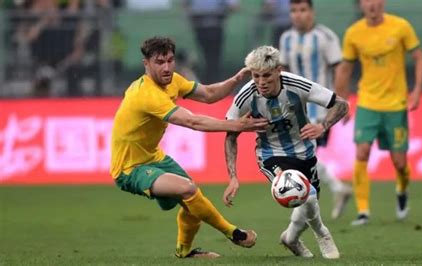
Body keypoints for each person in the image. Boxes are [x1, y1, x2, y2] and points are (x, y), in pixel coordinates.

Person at [110, 36, 268, 259]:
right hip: (129, 168)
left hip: (154, 158)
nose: (166, 67)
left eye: (170, 60)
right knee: (188, 190)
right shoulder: (146, 94)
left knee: (192, 201)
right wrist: (237, 124)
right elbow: (192, 122)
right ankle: (233, 233)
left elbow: (209, 94)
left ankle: (185, 252)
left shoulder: (172, 80)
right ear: (146, 64)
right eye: (159, 62)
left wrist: (237, 79)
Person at [223, 46, 349, 258]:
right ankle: (323, 234)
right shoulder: (246, 95)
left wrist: (323, 126)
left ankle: (290, 238)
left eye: (266, 76)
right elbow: (230, 134)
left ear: (278, 70)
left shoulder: (297, 85)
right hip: (271, 154)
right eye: (256, 76)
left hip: (305, 152)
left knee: (309, 201)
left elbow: (341, 105)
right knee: (305, 195)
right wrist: (233, 176)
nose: (261, 82)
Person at [334, 0, 422, 226]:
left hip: (396, 104)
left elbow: (419, 58)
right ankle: (363, 211)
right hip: (367, 102)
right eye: (366, 1)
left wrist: (416, 92)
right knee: (362, 152)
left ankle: (402, 191)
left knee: (399, 163)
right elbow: (345, 68)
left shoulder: (400, 26)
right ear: (361, 5)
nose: (372, 4)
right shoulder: (354, 33)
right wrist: (341, 101)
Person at [279, 0, 352, 219]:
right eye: (293, 11)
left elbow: (339, 69)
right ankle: (336, 188)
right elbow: (283, 70)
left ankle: (307, 208)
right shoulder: (286, 38)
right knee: (303, 157)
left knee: (302, 157)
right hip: (295, 108)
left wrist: (340, 102)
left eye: (302, 10)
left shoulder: (325, 36)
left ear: (312, 12)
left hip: (319, 107)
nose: (298, 15)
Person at [184, 0, 239, 83]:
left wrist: (223, 11)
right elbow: (185, 5)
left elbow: (234, 6)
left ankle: (215, 80)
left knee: (214, 56)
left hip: (216, 27)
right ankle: (207, 80)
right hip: (200, 27)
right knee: (205, 56)